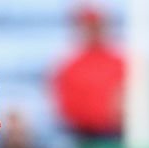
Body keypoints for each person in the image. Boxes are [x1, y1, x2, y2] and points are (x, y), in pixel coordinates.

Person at [50, 4, 125, 140]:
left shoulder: (120, 62)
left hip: (115, 134)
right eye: (88, 26)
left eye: (97, 26)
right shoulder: (68, 66)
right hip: (80, 134)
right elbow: (64, 106)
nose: (93, 31)